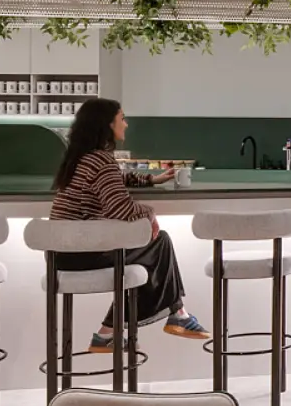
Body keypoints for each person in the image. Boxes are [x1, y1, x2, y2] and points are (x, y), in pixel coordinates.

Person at [51, 97, 204, 351]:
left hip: (63, 254)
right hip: (82, 255)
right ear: (107, 125)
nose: (126, 124)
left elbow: (116, 180)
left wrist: (151, 181)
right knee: (159, 243)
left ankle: (113, 331)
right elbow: (121, 208)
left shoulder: (81, 158)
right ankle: (174, 316)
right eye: (122, 118)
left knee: (147, 253)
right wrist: (149, 211)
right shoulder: (100, 161)